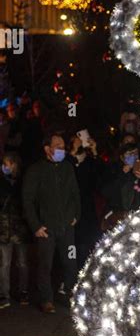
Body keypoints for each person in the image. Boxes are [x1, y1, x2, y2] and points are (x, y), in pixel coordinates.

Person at [22, 133, 81, 314]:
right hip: (46, 228)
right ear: (47, 149)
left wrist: (75, 215)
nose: (62, 149)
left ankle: (69, 294)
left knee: (70, 261)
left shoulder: (67, 168)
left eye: (63, 146)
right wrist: (36, 225)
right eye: (58, 146)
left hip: (66, 227)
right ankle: (46, 299)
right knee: (45, 264)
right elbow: (27, 200)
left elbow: (75, 194)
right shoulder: (35, 171)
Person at [100, 142, 140, 229]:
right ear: (122, 158)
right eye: (129, 154)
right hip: (119, 219)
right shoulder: (114, 171)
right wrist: (122, 174)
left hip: (139, 218)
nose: (133, 156)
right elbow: (106, 192)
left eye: (135, 153)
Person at [67, 133, 103, 268]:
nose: (79, 142)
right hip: (69, 209)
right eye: (75, 140)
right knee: (72, 246)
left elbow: (99, 178)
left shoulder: (89, 162)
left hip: (87, 209)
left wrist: (94, 151)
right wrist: (72, 153)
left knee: (87, 244)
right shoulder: (66, 161)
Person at [0, 153, 31, 308]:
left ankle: (23, 291)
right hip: (4, 229)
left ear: (14, 164)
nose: (5, 167)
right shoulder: (2, 181)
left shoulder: (24, 181)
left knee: (22, 262)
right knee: (4, 263)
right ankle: (4, 295)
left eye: (7, 164)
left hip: (20, 229)